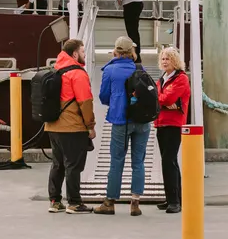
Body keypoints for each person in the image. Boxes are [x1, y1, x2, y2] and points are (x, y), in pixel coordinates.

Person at [94, 36, 151, 217]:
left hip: (120, 121)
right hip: (142, 121)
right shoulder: (140, 69)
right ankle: (135, 203)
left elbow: (103, 96)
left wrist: (116, 102)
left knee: (117, 160)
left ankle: (110, 202)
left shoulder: (110, 70)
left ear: (116, 50)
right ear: (131, 52)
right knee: (138, 161)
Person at [45, 38, 95, 214]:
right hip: (72, 127)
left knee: (57, 164)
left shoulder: (56, 70)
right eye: (82, 51)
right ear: (74, 54)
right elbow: (85, 102)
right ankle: (74, 202)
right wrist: (90, 126)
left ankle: (54, 201)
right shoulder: (77, 73)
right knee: (73, 165)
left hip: (53, 126)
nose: (84, 55)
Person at [155, 46, 190, 214]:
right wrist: (162, 101)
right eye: (163, 58)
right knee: (169, 161)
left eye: (168, 58)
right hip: (161, 123)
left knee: (169, 161)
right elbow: (162, 99)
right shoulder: (163, 79)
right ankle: (173, 198)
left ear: (175, 60)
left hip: (173, 124)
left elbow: (167, 98)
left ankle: (174, 201)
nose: (164, 61)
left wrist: (160, 100)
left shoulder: (181, 79)